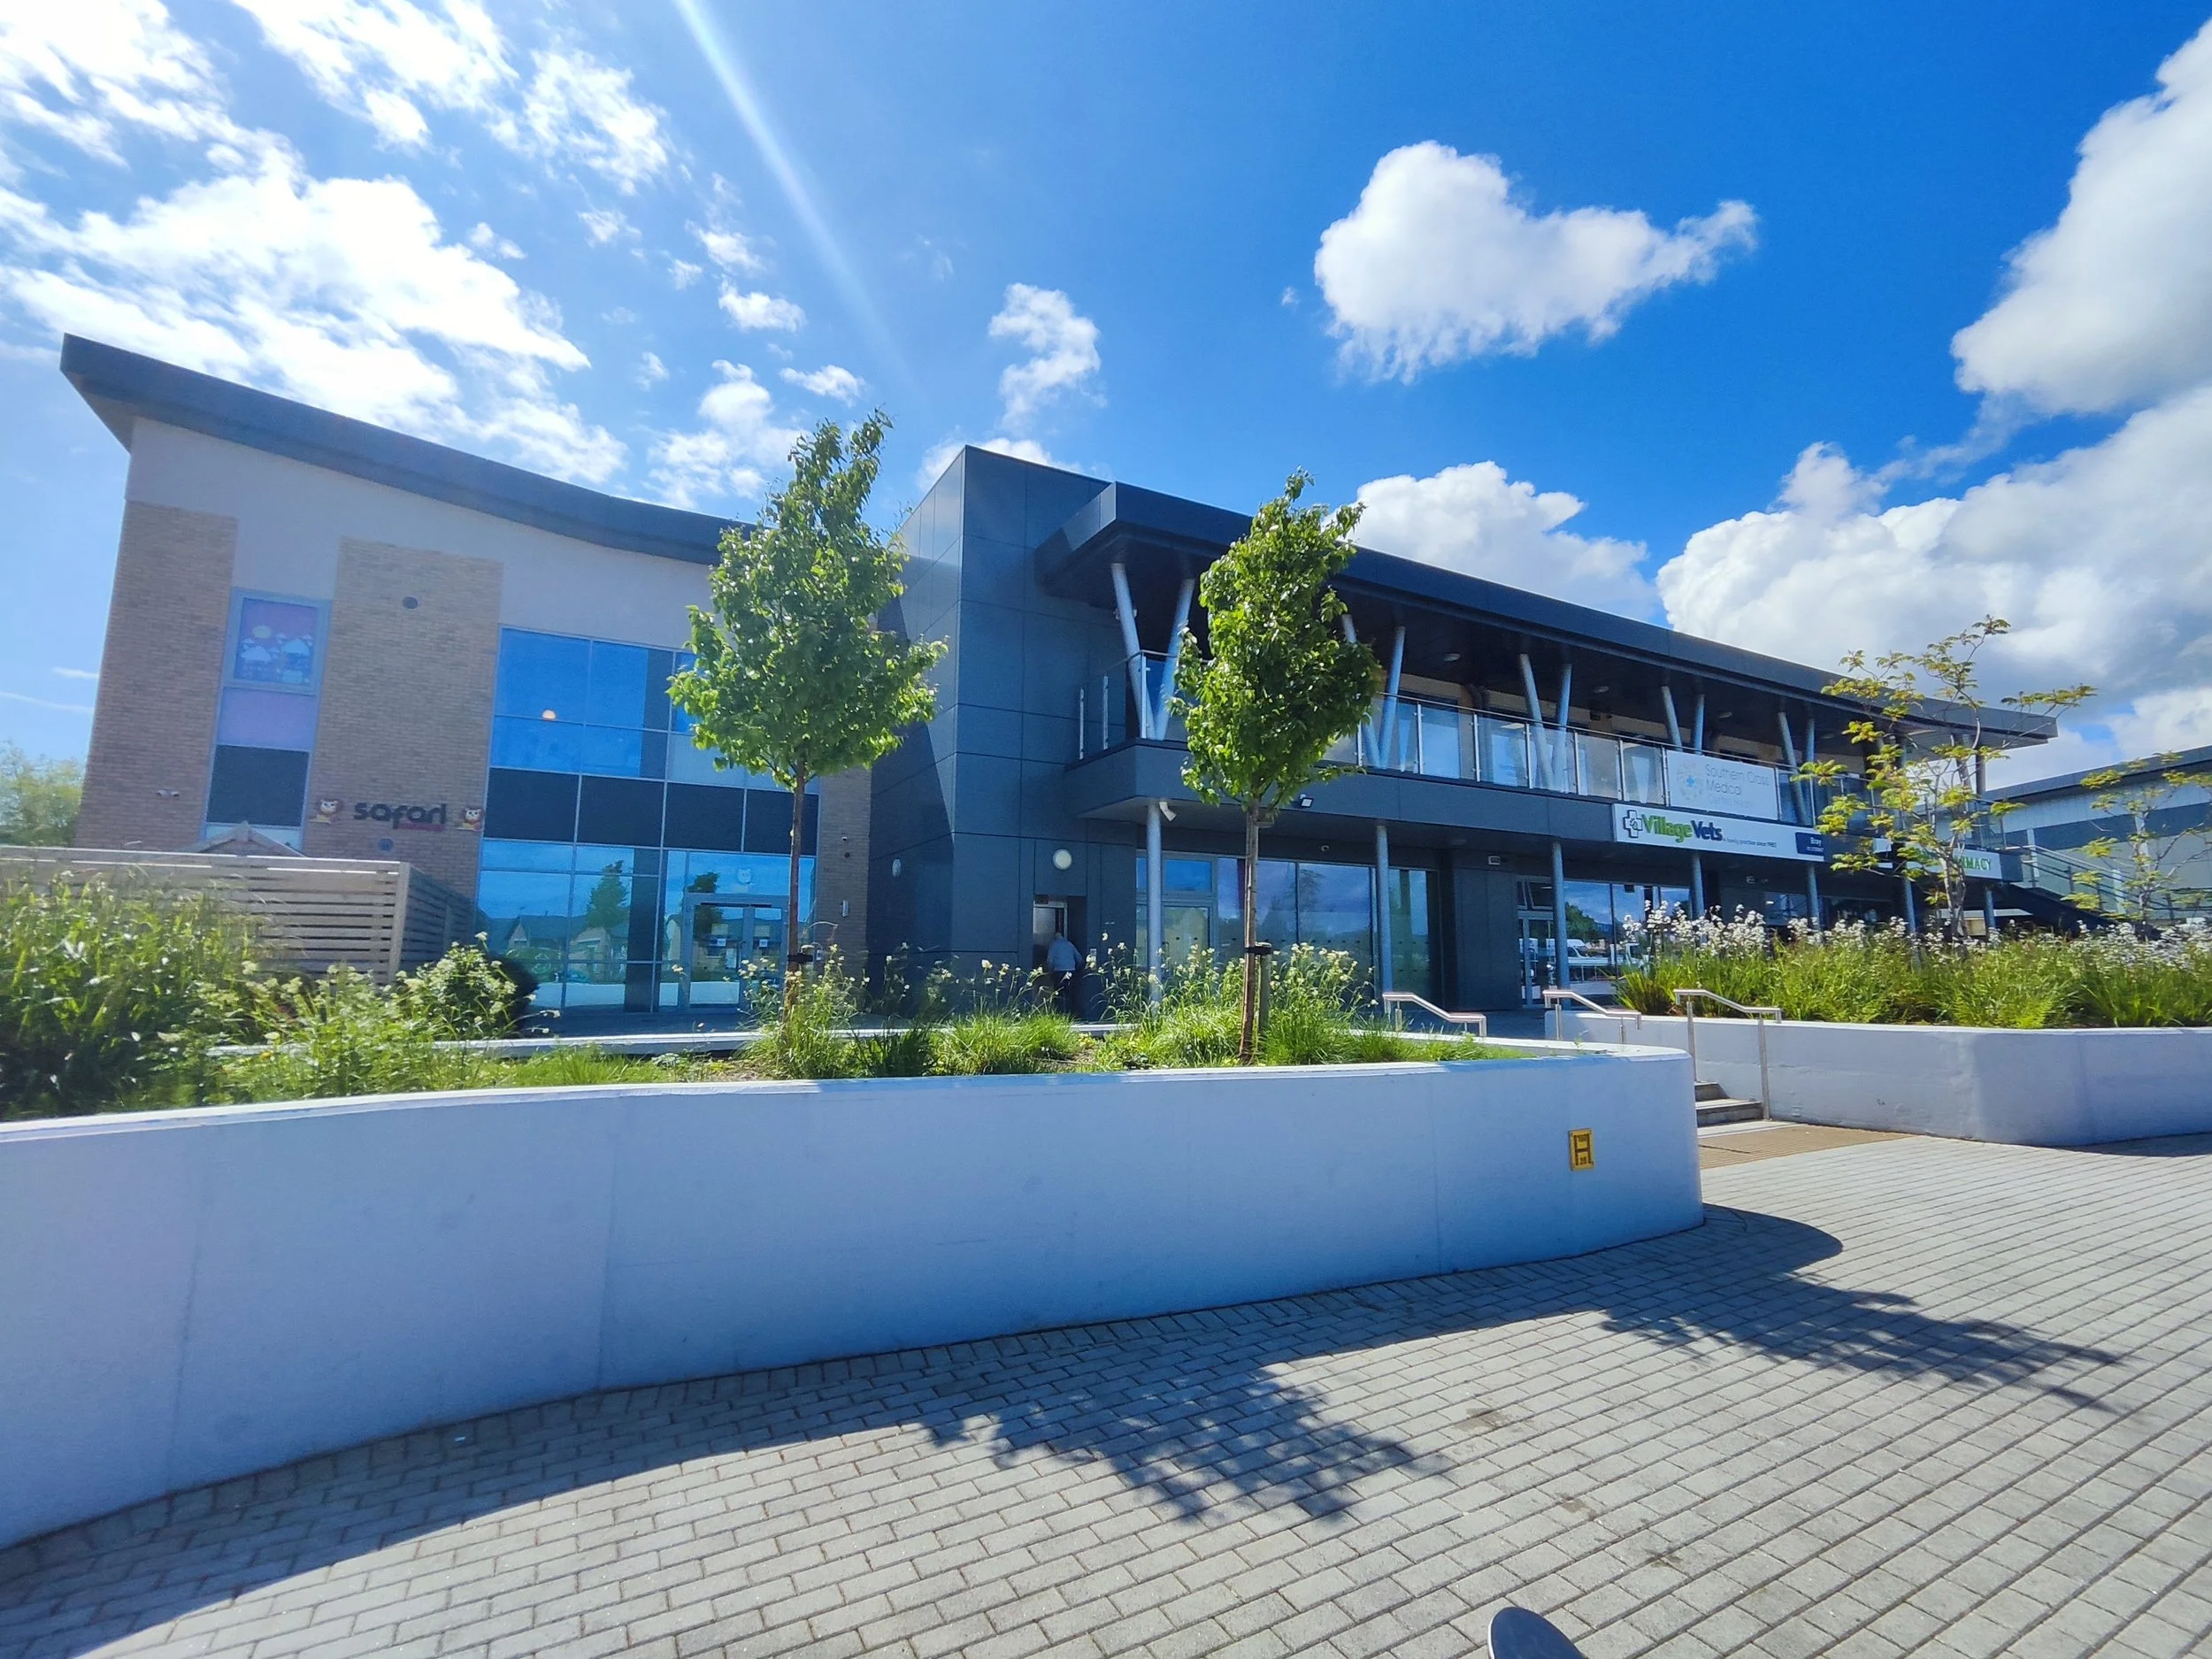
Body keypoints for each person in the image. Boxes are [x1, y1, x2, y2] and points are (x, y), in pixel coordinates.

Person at [1044, 927, 1082, 1013]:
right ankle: (1071, 1013)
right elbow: (1079, 959)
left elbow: (1050, 961)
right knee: (1070, 994)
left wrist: (1050, 972)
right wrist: (1077, 970)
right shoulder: (1069, 944)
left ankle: (1059, 1013)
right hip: (1071, 971)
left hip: (1058, 972)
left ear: (1055, 936)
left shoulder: (1053, 945)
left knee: (1059, 994)